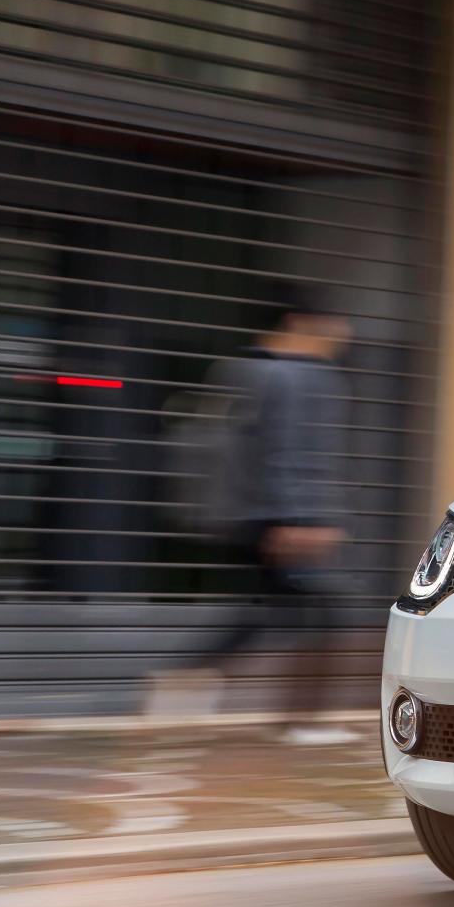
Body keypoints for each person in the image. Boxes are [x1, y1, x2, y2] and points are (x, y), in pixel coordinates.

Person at [148, 288, 354, 742]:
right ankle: (297, 721)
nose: (343, 333)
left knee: (267, 612)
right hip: (281, 519)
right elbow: (289, 452)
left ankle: (187, 680)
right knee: (320, 615)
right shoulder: (297, 375)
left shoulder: (241, 369)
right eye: (335, 322)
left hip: (243, 513)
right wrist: (299, 520)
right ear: (298, 321)